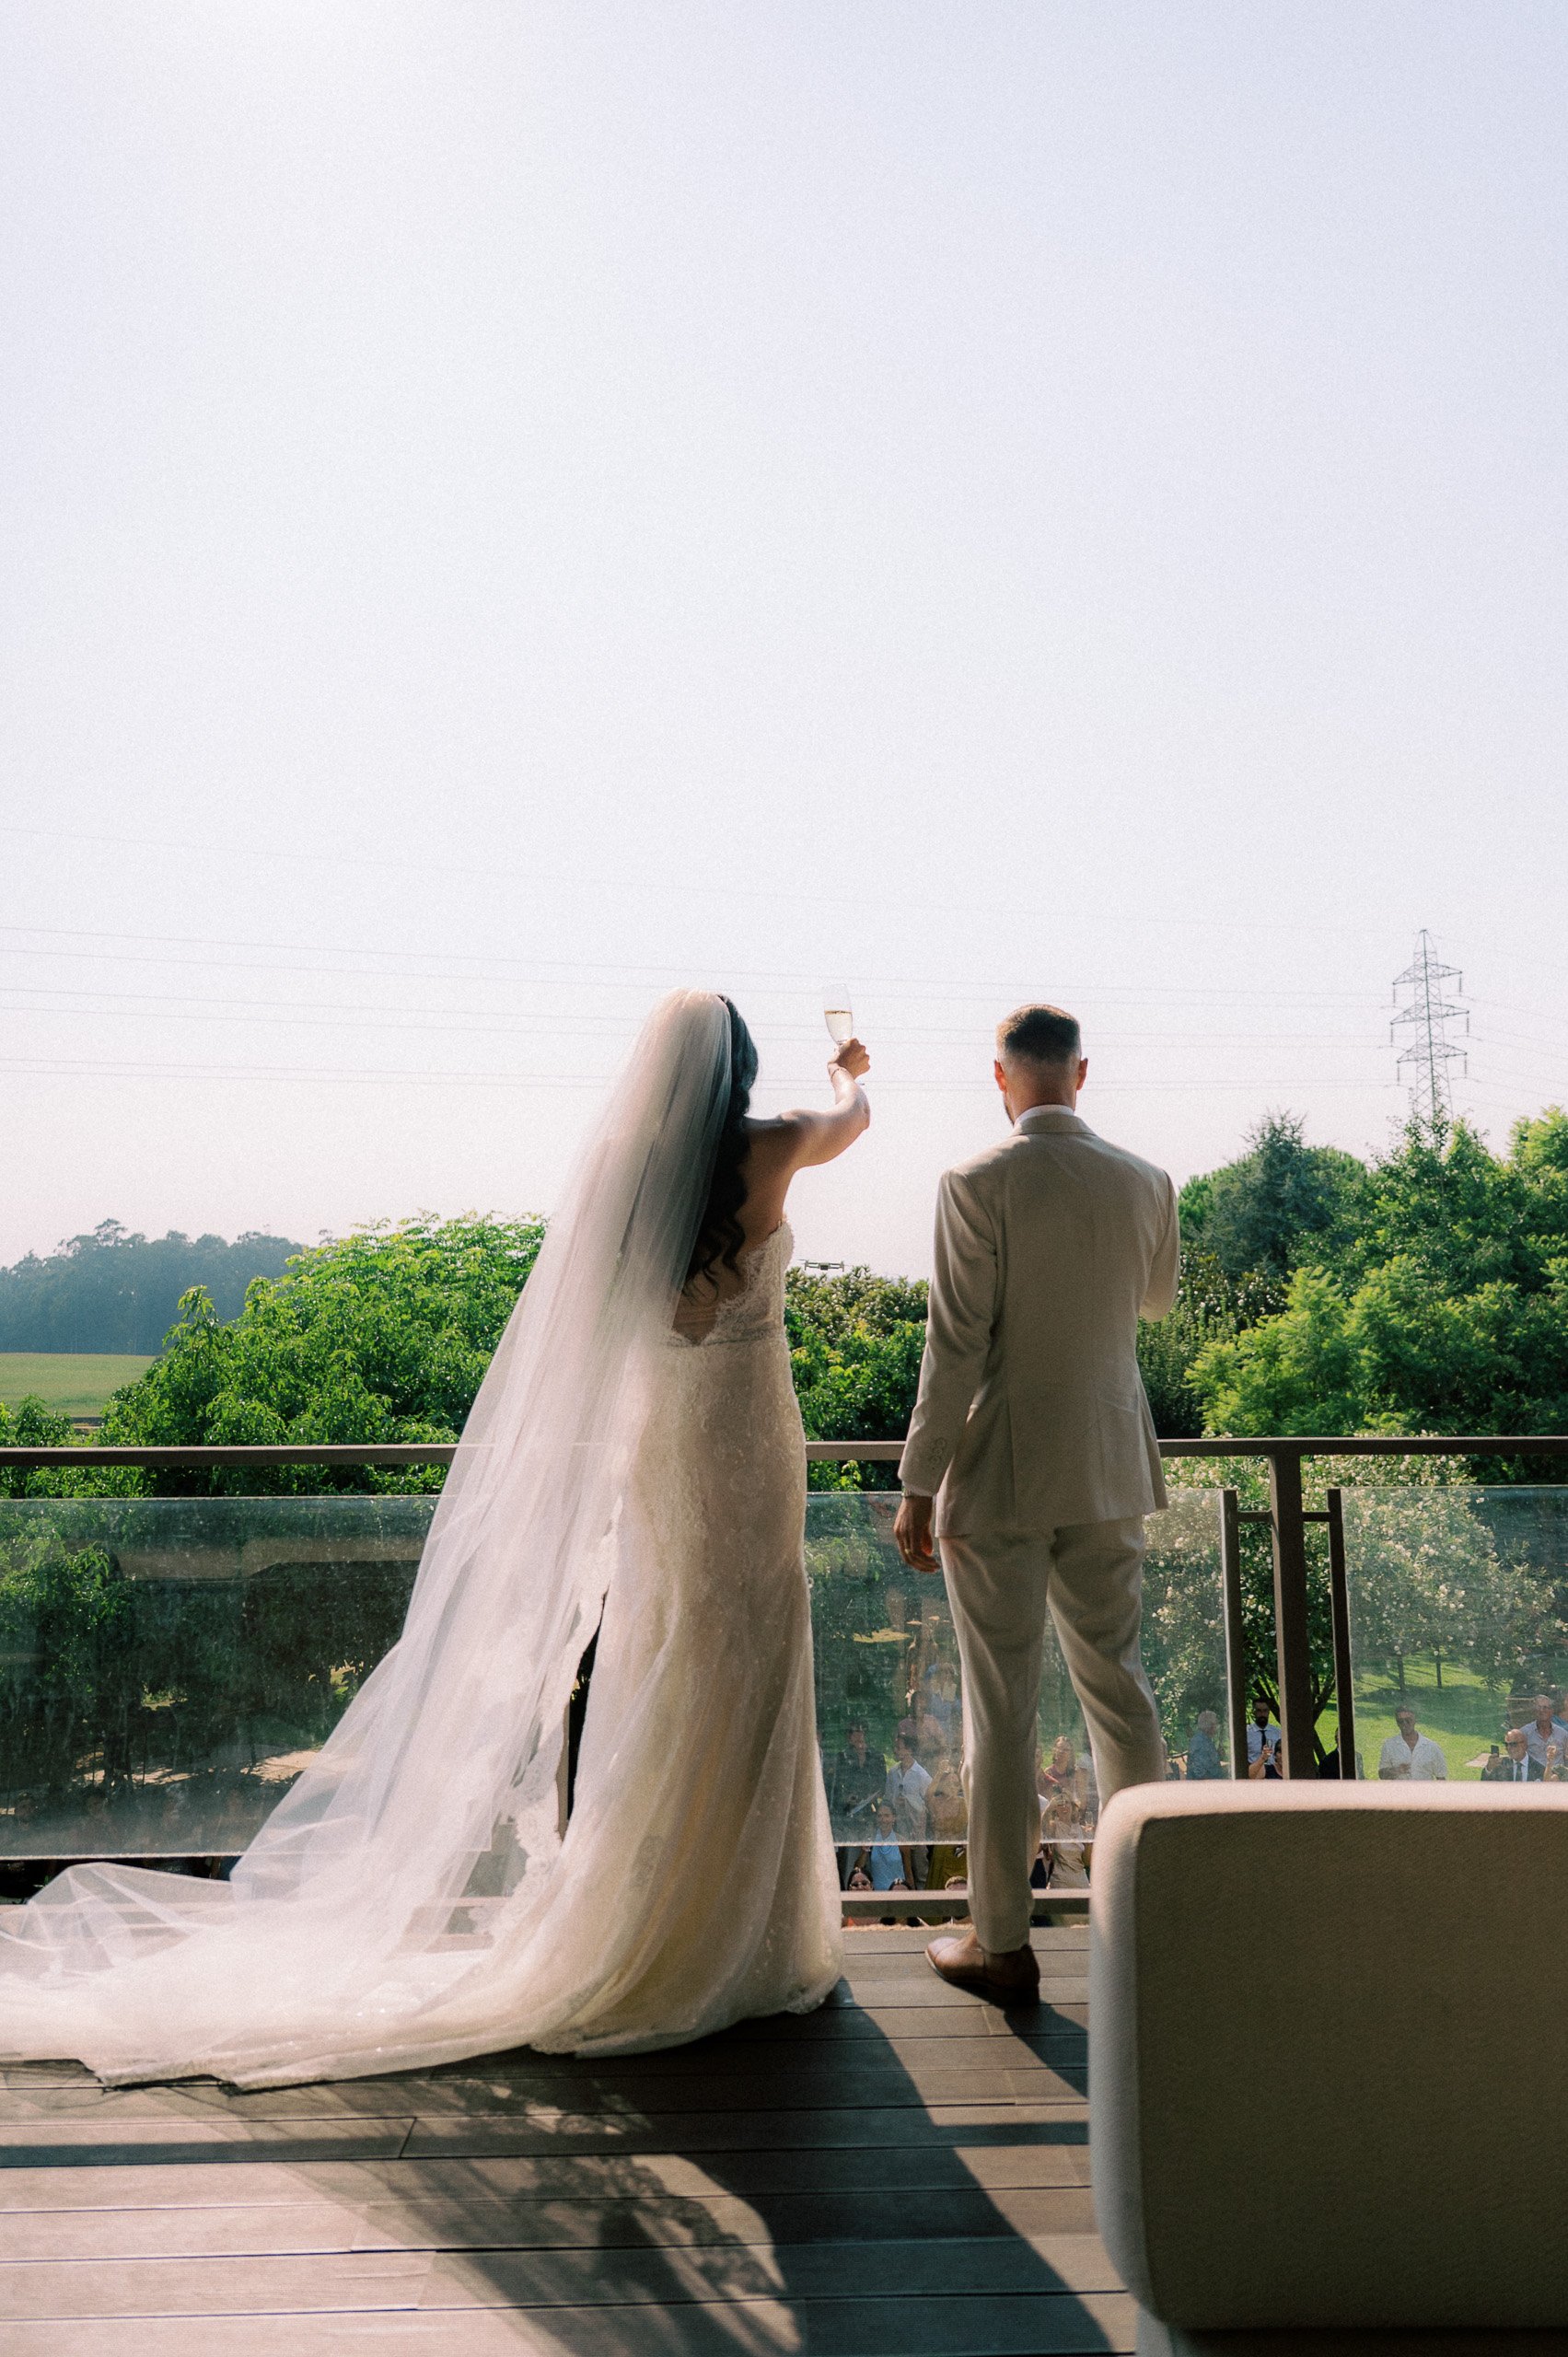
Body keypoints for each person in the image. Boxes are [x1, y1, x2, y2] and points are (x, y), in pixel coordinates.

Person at [0, 992, 872, 2084]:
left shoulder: (619, 1170)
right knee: (750, 1653)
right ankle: (739, 1932)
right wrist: (847, 1064)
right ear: (736, 1067)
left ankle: (654, 1916)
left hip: (664, 1448)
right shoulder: (772, 1145)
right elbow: (855, 1119)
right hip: (745, 1437)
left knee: (665, 1653)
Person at [893, 1001, 1179, 2000]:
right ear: (1081, 1072)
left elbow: (954, 1342)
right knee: (1119, 1690)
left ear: (1000, 1077)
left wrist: (918, 1479)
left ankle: (1002, 1942)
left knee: (1001, 1711)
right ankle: (1146, 1917)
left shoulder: (974, 1181)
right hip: (1108, 1466)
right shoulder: (1146, 1181)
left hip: (1001, 1471)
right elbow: (1152, 1303)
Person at [825, 1721, 885, 1884]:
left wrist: (871, 1797)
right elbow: (833, 1789)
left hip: (871, 1817)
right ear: (849, 1737)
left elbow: (882, 1786)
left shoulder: (876, 1757)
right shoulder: (841, 1757)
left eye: (862, 1732)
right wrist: (845, 1799)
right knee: (850, 1865)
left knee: (873, 1861)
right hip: (848, 1820)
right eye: (855, 1732)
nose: (859, 1736)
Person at [1376, 1706, 1447, 1781]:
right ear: (1397, 1723)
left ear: (1415, 1720)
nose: (1404, 1724)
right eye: (1400, 1721)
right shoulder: (1389, 1745)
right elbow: (1382, 1775)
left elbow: (1441, 1777)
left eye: (1408, 1720)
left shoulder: (1432, 1747)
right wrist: (1396, 1770)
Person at [1522, 1695, 1567, 1770]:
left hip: (1556, 1775)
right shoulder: (1524, 1733)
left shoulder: (1563, 1734)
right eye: (1538, 1707)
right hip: (1534, 1775)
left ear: (1551, 1711)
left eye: (1545, 1707)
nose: (1542, 1710)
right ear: (1534, 1711)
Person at [1186, 1711, 1225, 1781]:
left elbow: (1209, 1763)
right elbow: (1199, 1772)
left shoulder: (1206, 1740)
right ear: (1210, 1725)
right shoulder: (1199, 1742)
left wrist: (1218, 1755)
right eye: (1216, 1724)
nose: (1217, 1727)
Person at [1246, 1699, 1283, 1769]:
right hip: (1253, 1771)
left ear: (1269, 1712)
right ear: (1254, 1712)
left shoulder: (1277, 1732)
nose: (1262, 1714)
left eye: (1265, 1711)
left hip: (1273, 1771)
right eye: (1259, 1711)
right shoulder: (1247, 1733)